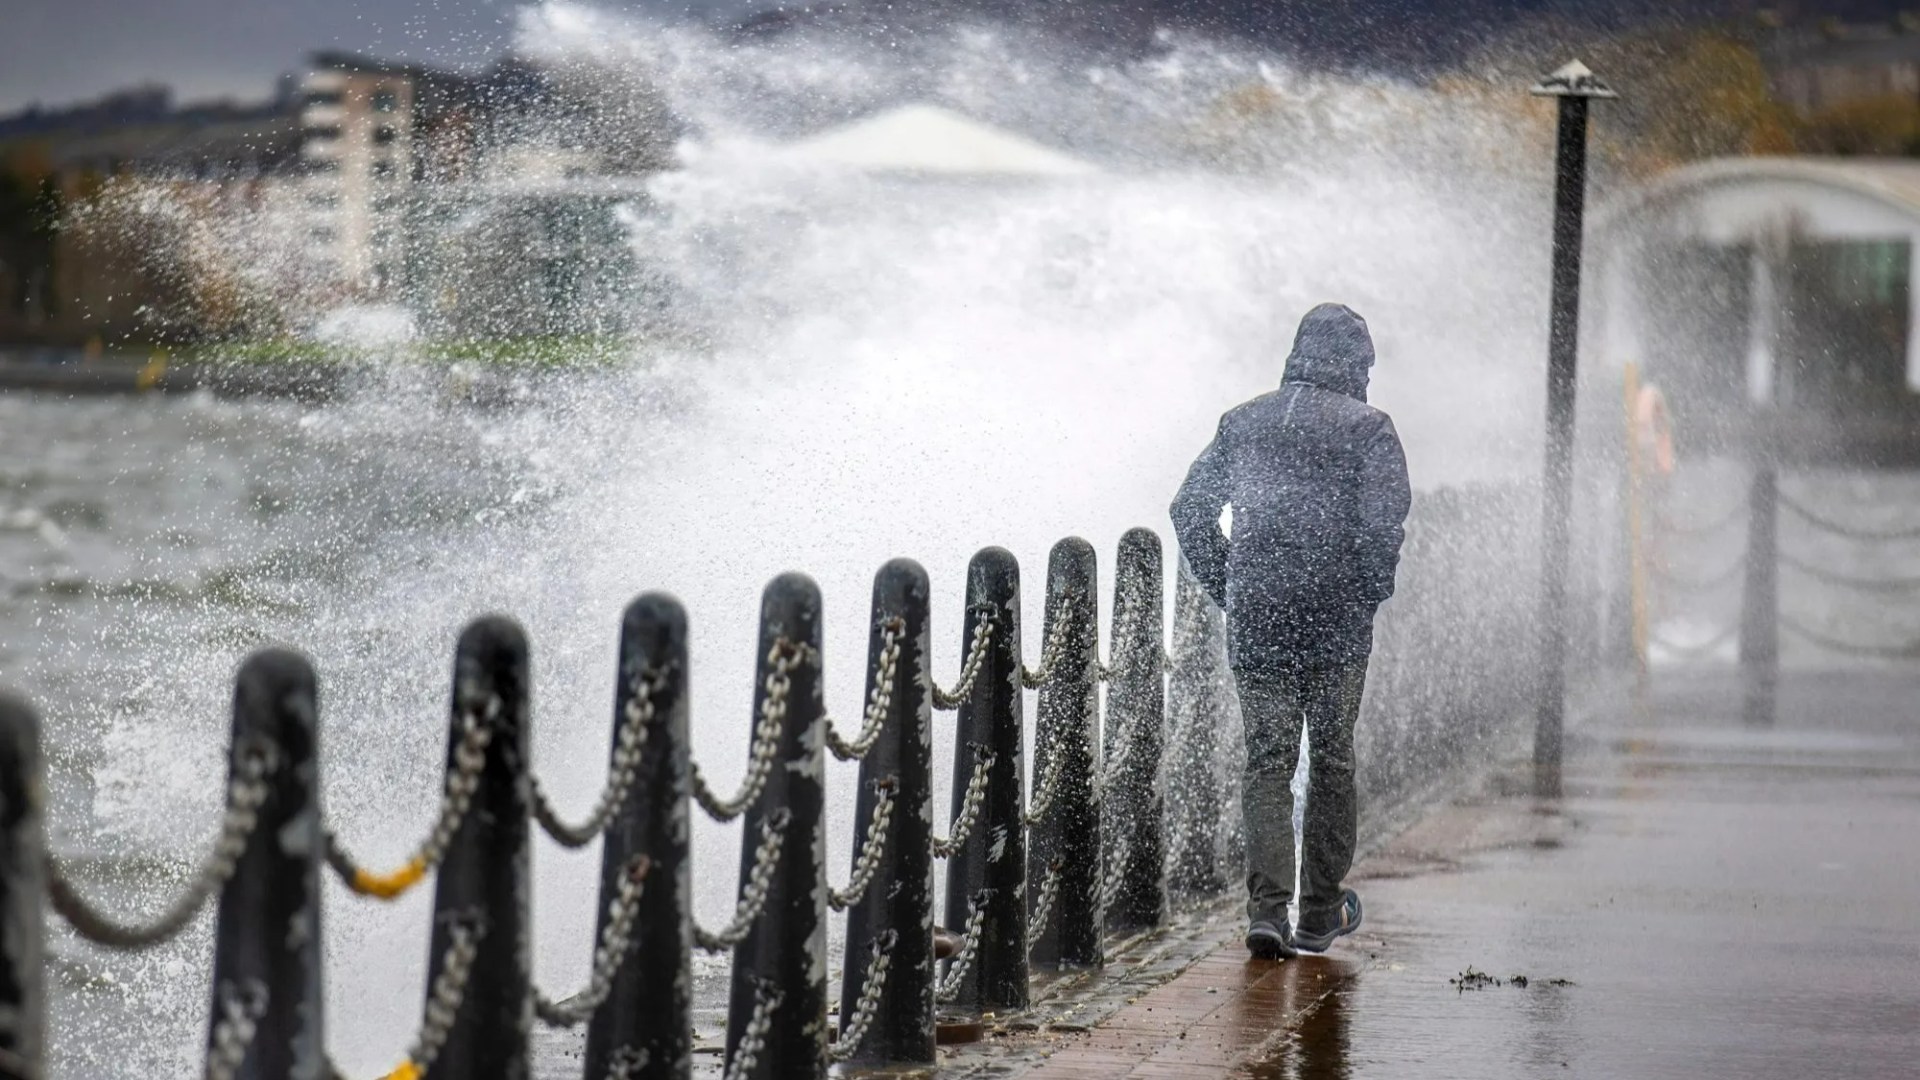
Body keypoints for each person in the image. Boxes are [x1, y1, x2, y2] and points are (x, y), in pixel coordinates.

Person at [1169, 302, 1410, 959]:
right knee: (1332, 760)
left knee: (1268, 763)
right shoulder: (1370, 430)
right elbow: (1383, 526)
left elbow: (1189, 508)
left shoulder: (1245, 421)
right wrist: (1364, 593)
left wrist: (1232, 588)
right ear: (1358, 364)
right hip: (1336, 626)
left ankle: (1266, 911)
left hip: (1262, 622)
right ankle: (1320, 913)